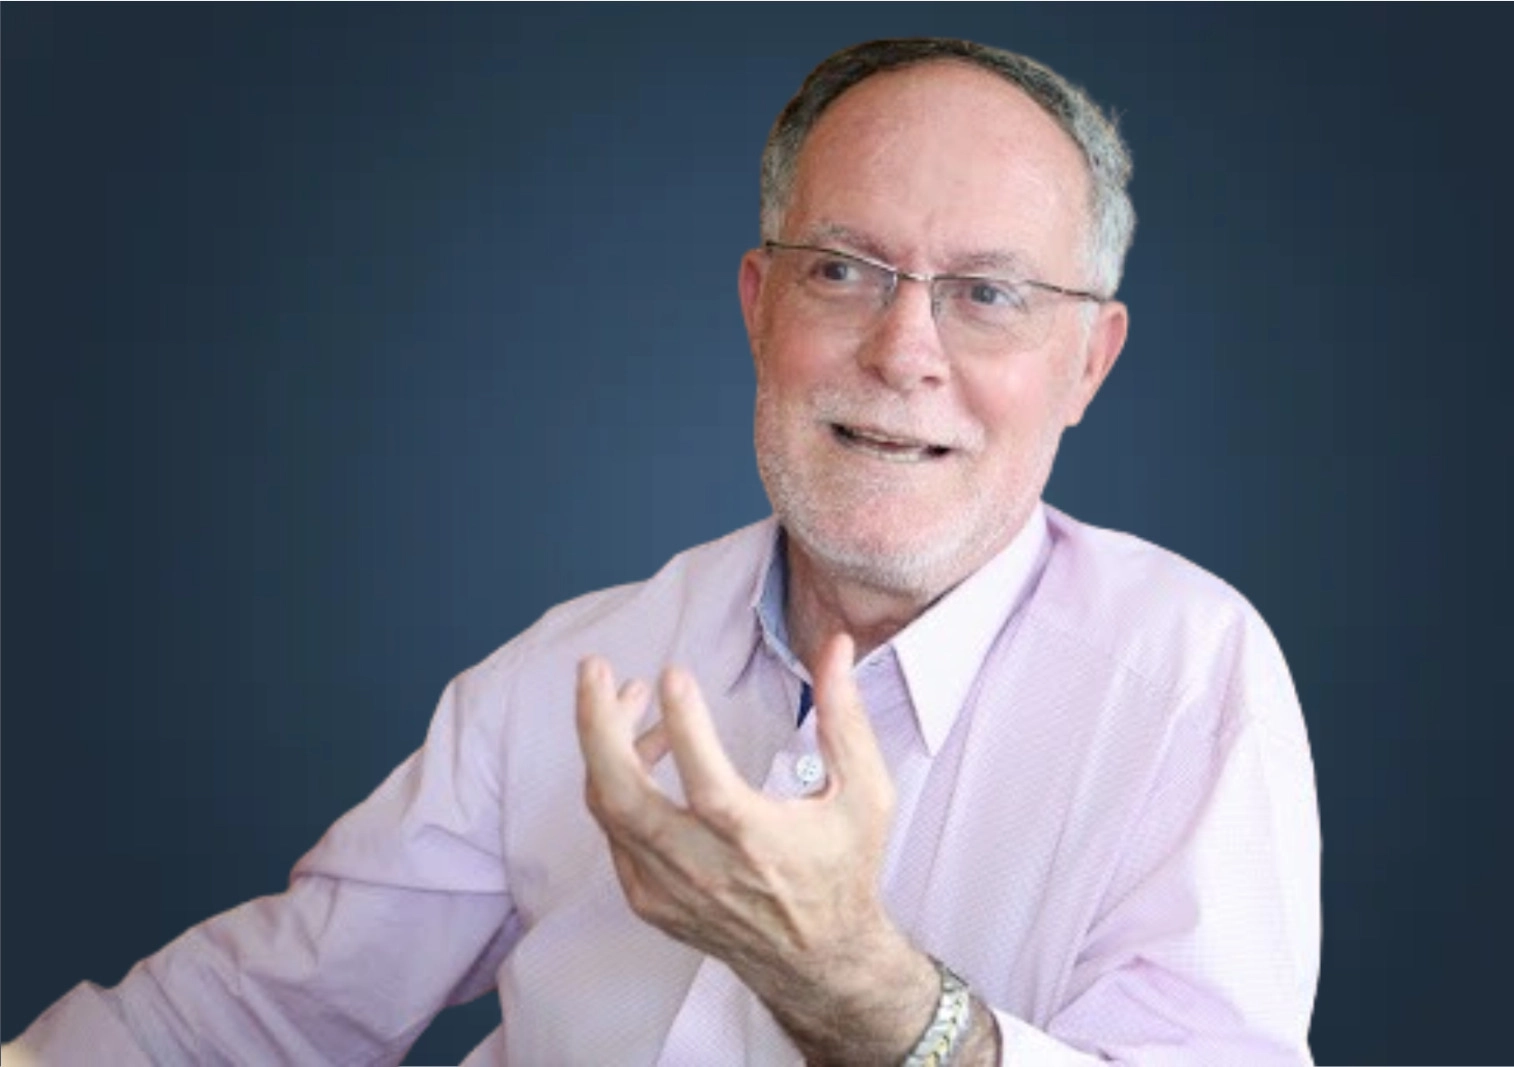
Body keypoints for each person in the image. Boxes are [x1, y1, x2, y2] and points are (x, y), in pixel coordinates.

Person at [13, 37, 1320, 1066]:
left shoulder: (1187, 680)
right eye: (842, 270)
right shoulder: (569, 670)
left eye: (989, 294)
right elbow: (258, 1014)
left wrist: (855, 987)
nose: (904, 352)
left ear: (1087, 362)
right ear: (760, 306)